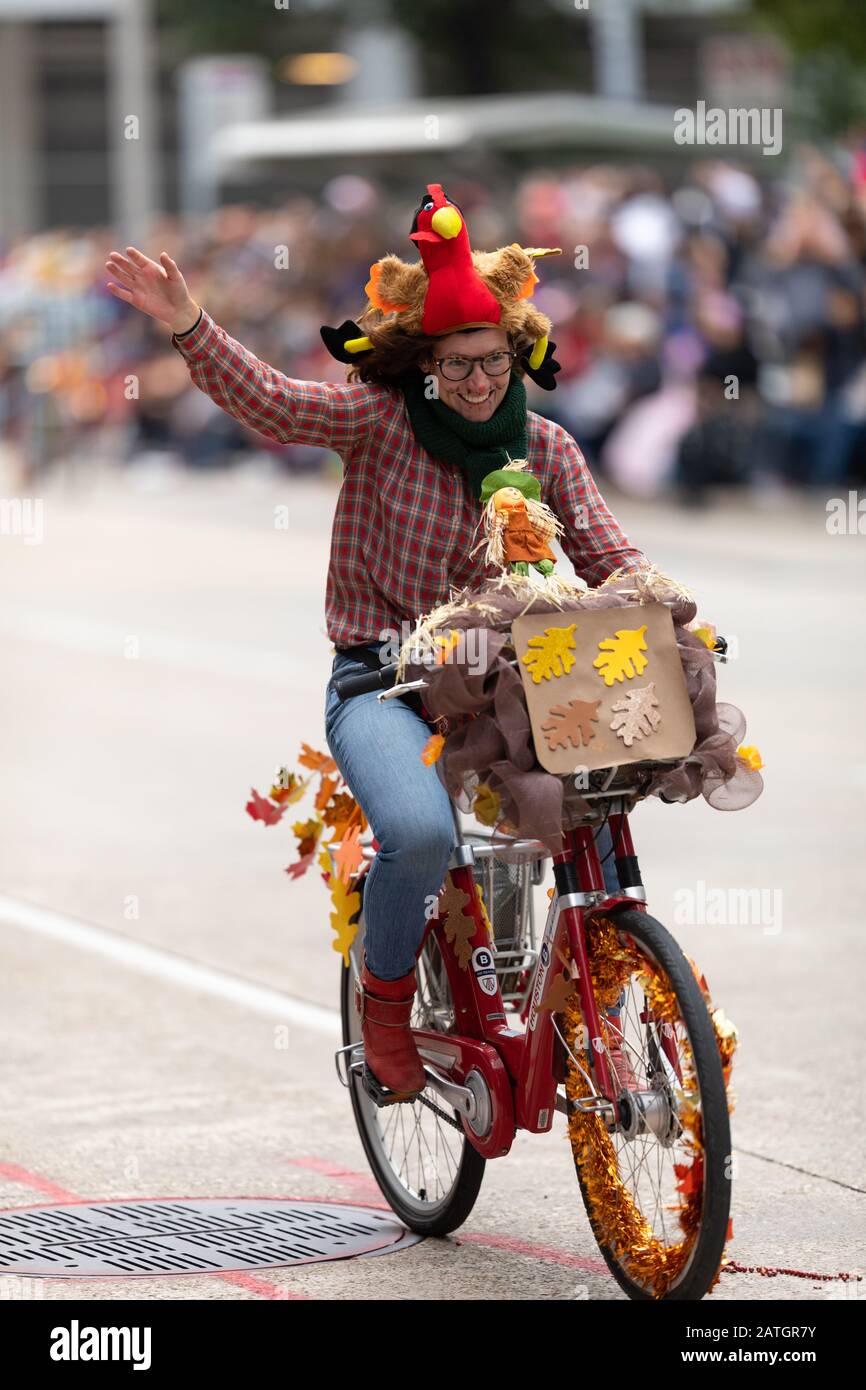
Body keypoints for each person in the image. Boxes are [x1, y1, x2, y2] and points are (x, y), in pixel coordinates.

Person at [105, 183, 649, 1102]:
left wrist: (674, 616)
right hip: (381, 685)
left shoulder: (549, 449)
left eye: (493, 364)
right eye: (458, 368)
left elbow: (612, 555)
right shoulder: (378, 422)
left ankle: (605, 995)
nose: (478, 384)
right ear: (426, 368)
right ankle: (387, 1001)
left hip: (510, 685)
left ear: (517, 359)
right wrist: (190, 322)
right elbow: (275, 404)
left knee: (602, 800)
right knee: (418, 832)